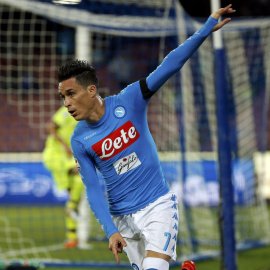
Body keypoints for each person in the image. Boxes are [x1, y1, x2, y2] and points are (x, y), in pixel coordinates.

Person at [58, 5, 235, 269]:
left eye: (71, 94)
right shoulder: (79, 139)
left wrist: (205, 29)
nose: (66, 103)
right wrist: (110, 231)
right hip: (122, 220)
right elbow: (93, 189)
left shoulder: (130, 100)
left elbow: (169, 65)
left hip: (157, 206)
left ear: (91, 90)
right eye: (63, 97)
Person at [42, 106, 91, 249]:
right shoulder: (67, 111)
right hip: (55, 156)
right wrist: (64, 145)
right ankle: (72, 207)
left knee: (74, 193)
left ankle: (72, 237)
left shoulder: (87, 117)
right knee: (81, 174)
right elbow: (50, 127)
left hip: (68, 157)